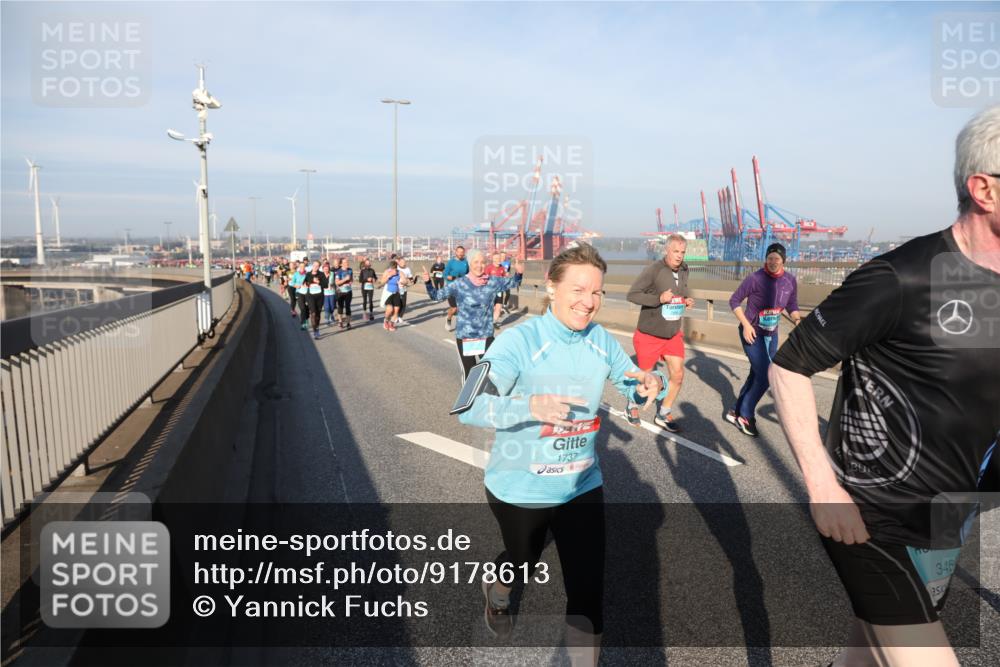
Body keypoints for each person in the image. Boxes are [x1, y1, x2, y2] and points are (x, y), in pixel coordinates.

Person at [769, 105, 1000, 667]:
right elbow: (789, 365)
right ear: (984, 190)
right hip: (871, 513)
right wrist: (824, 488)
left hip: (947, 513)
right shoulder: (901, 277)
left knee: (868, 654)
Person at [455, 244, 667, 662]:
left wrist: (647, 382)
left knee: (588, 593)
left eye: (597, 293)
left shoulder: (600, 338)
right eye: (578, 290)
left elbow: (630, 381)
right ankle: (496, 591)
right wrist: (528, 406)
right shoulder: (520, 341)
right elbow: (467, 405)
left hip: (580, 484)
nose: (589, 303)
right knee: (522, 561)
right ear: (551, 287)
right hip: (520, 486)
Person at [725, 243, 802, 436]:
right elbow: (734, 300)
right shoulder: (755, 278)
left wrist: (797, 320)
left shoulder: (790, 280)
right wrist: (747, 325)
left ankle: (736, 411)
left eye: (777, 258)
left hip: (771, 335)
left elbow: (792, 304)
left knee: (756, 375)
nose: (773, 261)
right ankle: (745, 416)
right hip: (752, 333)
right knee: (767, 375)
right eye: (770, 258)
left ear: (783, 260)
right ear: (765, 259)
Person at [624, 233, 694, 433]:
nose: (679, 256)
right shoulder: (654, 270)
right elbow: (632, 294)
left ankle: (663, 413)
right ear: (667, 250)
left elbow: (681, 291)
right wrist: (659, 299)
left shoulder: (684, 269)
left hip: (672, 333)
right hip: (649, 334)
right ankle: (632, 405)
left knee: (678, 374)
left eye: (682, 252)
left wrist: (685, 300)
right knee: (644, 381)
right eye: (675, 251)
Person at [423, 249, 523, 380]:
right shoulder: (459, 284)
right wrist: (428, 282)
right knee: (470, 376)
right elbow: (436, 296)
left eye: (482, 262)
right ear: (470, 263)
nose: (479, 265)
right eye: (476, 262)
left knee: (491, 374)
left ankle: (488, 400)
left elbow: (513, 282)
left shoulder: (492, 282)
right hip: (466, 337)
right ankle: (469, 401)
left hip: (485, 335)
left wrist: (519, 273)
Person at [442, 246, 469, 331]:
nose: (461, 253)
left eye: (462, 252)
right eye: (459, 252)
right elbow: (444, 274)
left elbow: (468, 273)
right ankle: (449, 319)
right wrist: (448, 277)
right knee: (454, 308)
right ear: (456, 252)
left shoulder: (466, 262)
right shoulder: (451, 262)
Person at [304, 260, 327, 339]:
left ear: (319, 267)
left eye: (317, 266)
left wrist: (319, 282)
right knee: (313, 313)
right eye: (314, 265)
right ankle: (315, 331)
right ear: (312, 265)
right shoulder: (308, 274)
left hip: (319, 296)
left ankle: (317, 327)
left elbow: (326, 285)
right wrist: (309, 283)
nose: (315, 267)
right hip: (310, 296)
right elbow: (304, 283)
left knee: (318, 314)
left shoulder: (321, 274)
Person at [484, 253, 508, 329]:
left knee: (498, 308)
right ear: (493, 259)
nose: (498, 260)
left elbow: (504, 279)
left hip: (499, 292)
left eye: (499, 258)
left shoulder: (502, 268)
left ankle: (493, 323)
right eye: (496, 258)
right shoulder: (488, 268)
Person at [379, 260, 402, 331]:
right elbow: (382, 282)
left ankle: (391, 324)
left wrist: (402, 282)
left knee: (396, 310)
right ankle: (386, 321)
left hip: (396, 293)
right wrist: (389, 276)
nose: (393, 270)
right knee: (390, 309)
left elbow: (405, 280)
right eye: (392, 268)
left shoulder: (399, 272)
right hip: (388, 293)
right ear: (390, 267)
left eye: (395, 268)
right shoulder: (387, 272)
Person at [334, 257, 354, 329]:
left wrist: (351, 281)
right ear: (341, 264)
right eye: (345, 262)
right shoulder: (338, 272)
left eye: (347, 262)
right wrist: (345, 279)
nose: (347, 263)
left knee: (348, 307)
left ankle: (348, 323)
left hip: (348, 291)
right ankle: (340, 322)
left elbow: (351, 279)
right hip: (340, 292)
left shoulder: (350, 270)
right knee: (340, 307)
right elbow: (337, 283)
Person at [395, 257, 414, 326]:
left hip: (404, 288)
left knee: (403, 304)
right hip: (396, 289)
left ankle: (400, 317)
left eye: (404, 262)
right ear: (399, 262)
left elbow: (410, 278)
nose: (404, 263)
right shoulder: (396, 268)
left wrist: (412, 281)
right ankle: (396, 316)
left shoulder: (407, 269)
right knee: (397, 303)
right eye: (402, 262)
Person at [322, 261, 337, 326]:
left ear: (329, 268)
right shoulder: (321, 275)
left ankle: (331, 315)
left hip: (332, 292)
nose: (326, 269)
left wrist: (332, 285)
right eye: (325, 268)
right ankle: (327, 319)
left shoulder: (332, 274)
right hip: (324, 293)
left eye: (327, 268)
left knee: (332, 306)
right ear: (323, 269)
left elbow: (336, 282)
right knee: (326, 307)